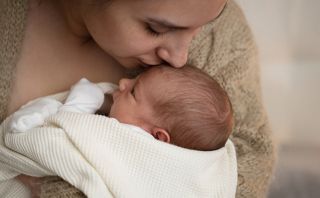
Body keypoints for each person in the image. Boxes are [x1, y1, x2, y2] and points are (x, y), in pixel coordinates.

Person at [0, 0, 275, 197]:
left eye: (201, 27)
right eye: (155, 28)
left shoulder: (221, 31)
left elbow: (249, 160)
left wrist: (61, 183)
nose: (180, 58)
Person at [1, 65, 237, 197]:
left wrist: (76, 107)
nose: (123, 82)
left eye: (133, 92)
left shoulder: (127, 142)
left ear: (157, 137)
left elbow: (58, 143)